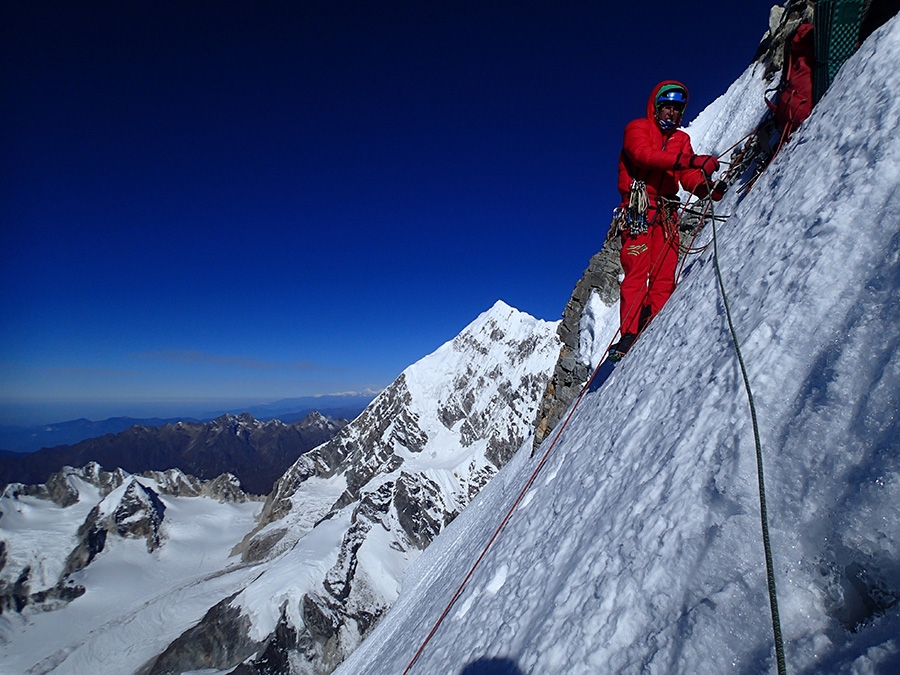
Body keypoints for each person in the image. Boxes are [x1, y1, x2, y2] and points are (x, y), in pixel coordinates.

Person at [608, 80, 724, 360]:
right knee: (637, 269)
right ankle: (629, 333)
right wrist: (690, 162)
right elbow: (643, 156)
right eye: (667, 107)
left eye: (676, 109)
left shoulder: (681, 140)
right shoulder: (637, 128)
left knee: (665, 269)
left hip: (666, 212)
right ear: (656, 107)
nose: (671, 113)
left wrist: (706, 186)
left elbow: (685, 177)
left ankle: (654, 319)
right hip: (639, 209)